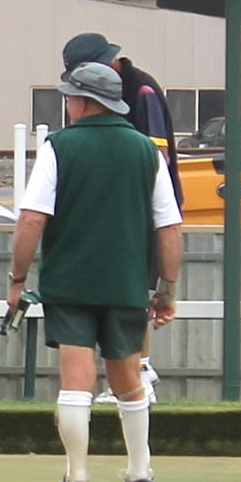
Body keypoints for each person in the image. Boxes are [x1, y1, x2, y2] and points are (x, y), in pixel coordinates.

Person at [7, 61, 183, 482]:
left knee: (76, 381)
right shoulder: (146, 150)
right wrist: (167, 291)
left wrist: (18, 278)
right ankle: (141, 476)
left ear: (83, 101)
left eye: (68, 96)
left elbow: (31, 219)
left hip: (70, 283)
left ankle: (77, 480)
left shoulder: (58, 147)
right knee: (128, 377)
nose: (66, 104)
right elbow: (169, 228)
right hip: (127, 282)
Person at [61, 32, 182, 402]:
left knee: (134, 292)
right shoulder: (116, 93)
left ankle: (139, 373)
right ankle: (135, 373)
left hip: (141, 208)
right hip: (118, 208)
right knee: (125, 292)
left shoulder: (141, 92)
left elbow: (154, 158)